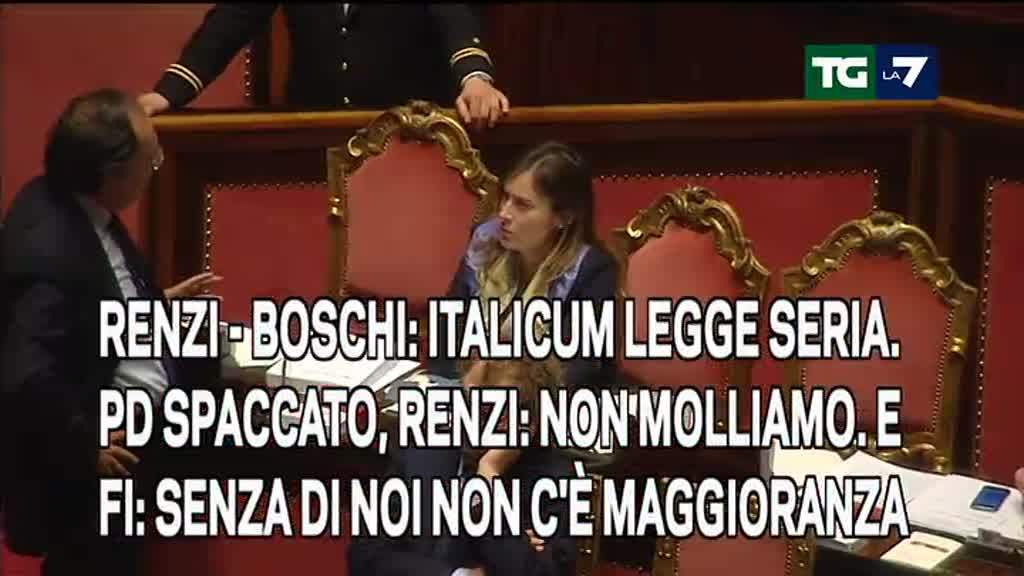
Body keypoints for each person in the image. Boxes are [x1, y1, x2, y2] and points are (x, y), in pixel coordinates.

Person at [0, 88, 214, 575]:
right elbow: (25, 375)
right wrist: (87, 448)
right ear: (112, 173)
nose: (155, 168)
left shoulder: (73, 204)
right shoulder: (47, 249)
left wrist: (153, 304)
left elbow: (89, 303)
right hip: (96, 469)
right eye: (150, 160)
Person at [431, 141, 619, 391]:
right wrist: (451, 385)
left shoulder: (592, 271)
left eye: (522, 205)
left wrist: (498, 378)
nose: (504, 213)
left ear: (564, 217)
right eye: (505, 197)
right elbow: (446, 331)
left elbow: (576, 370)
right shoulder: (485, 242)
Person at [138, 4, 510, 128]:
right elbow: (230, 23)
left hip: (405, 133)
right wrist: (167, 93)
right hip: (314, 129)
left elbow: (456, 16)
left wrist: (474, 78)